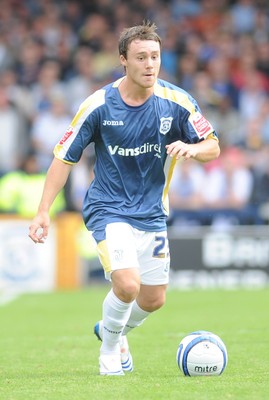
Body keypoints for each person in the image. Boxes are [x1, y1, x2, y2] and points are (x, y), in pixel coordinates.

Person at [28, 21, 220, 376]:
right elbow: (63, 156)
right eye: (141, 57)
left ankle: (111, 330)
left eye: (156, 57)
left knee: (154, 298)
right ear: (123, 60)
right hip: (108, 207)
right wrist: (43, 211)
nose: (150, 65)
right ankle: (110, 355)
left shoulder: (176, 102)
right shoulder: (98, 105)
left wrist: (193, 149)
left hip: (152, 212)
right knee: (128, 285)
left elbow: (214, 146)